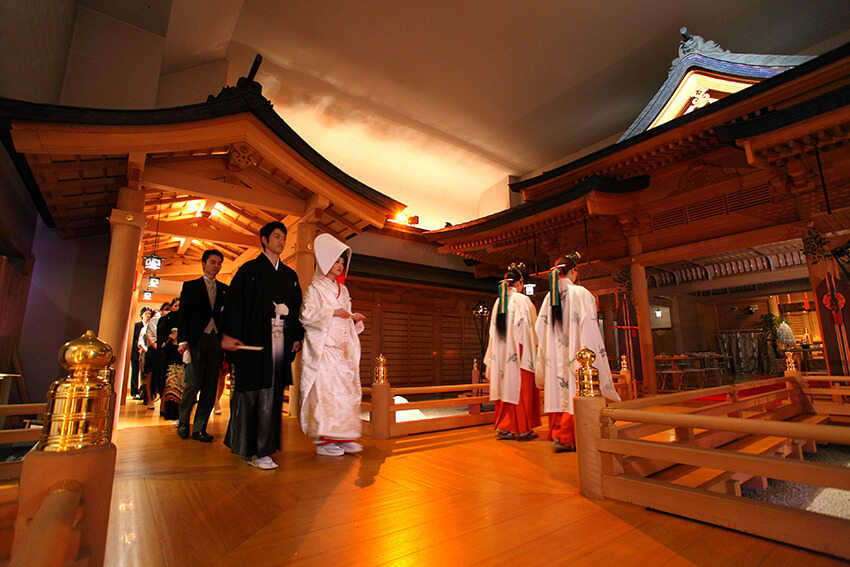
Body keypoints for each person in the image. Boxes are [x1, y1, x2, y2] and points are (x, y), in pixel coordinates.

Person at [220, 221, 304, 470]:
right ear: (264, 240)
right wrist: (229, 335)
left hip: (279, 342)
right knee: (251, 395)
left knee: (271, 396)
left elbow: (296, 308)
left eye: (284, 237)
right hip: (253, 342)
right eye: (277, 237)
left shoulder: (290, 276)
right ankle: (254, 449)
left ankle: (259, 448)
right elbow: (234, 305)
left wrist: (296, 336)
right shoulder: (249, 270)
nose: (281, 241)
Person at [535, 253, 620, 452]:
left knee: (559, 392)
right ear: (573, 271)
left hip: (554, 356)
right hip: (577, 353)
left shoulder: (549, 298)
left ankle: (559, 434)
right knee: (575, 390)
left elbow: (539, 329)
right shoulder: (581, 293)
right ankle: (570, 437)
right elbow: (589, 327)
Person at [299, 233, 366, 456]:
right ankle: (324, 441)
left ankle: (343, 436)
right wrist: (332, 312)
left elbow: (344, 314)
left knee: (345, 393)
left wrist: (353, 318)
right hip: (326, 348)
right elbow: (306, 315)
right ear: (327, 261)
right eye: (336, 261)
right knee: (327, 393)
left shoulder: (343, 290)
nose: (340, 265)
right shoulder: (315, 288)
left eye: (342, 262)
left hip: (342, 349)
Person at [176, 250, 229, 442]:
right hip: (196, 339)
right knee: (193, 383)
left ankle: (200, 428)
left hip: (216, 340)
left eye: (219, 263)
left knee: (210, 385)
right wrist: (183, 341)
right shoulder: (191, 286)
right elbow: (183, 315)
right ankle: (183, 422)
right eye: (213, 262)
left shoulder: (225, 289)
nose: (216, 266)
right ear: (204, 263)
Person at [484, 263, 540, 441]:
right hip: (520, 351)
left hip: (501, 353)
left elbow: (492, 332)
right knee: (521, 388)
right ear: (520, 283)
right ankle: (523, 429)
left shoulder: (499, 302)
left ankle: (505, 427)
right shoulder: (523, 300)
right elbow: (531, 328)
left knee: (504, 387)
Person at [157, 298, 183, 420]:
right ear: (171, 306)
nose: (177, 308)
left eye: (180, 306)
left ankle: (181, 412)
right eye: (175, 305)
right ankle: (166, 409)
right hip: (170, 354)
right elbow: (161, 335)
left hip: (184, 354)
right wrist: (169, 336)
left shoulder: (186, 318)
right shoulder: (166, 319)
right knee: (169, 382)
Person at [143, 302, 171, 410]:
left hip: (166, 351)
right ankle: (150, 398)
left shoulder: (171, 321)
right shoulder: (154, 321)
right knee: (151, 374)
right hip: (154, 351)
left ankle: (163, 403)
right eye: (166, 309)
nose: (167, 311)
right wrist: (159, 347)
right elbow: (151, 336)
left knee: (164, 377)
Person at [130, 308, 151, 400]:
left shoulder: (151, 326)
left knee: (144, 373)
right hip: (136, 353)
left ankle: (142, 391)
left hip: (146, 353)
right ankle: (134, 392)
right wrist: (138, 349)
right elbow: (133, 339)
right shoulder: (137, 325)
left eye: (149, 313)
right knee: (135, 372)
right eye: (146, 313)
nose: (148, 315)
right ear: (142, 315)